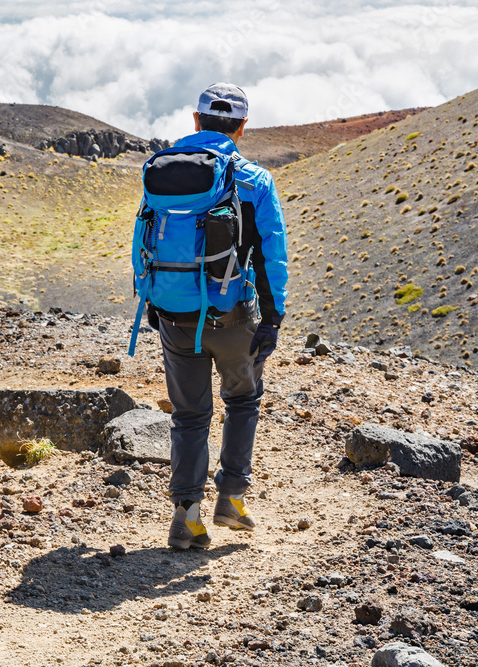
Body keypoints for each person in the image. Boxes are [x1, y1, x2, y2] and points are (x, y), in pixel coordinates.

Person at [152, 83, 288, 550]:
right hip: (234, 314)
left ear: (196, 121)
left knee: (189, 415)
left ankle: (186, 518)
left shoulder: (162, 170)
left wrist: (156, 304)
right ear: (242, 127)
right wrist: (272, 319)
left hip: (173, 312)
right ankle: (231, 499)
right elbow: (271, 256)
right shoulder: (254, 180)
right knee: (243, 401)